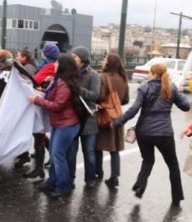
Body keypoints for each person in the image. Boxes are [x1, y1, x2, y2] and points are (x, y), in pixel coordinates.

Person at [112, 63, 190, 206]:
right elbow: (186, 106)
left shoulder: (144, 87)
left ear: (154, 73)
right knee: (172, 164)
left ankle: (140, 185)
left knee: (148, 160)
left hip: (144, 132)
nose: (148, 74)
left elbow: (134, 110)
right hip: (164, 133)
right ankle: (177, 197)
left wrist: (117, 122)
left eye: (149, 72)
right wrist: (180, 93)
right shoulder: (171, 87)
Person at [28, 54, 80, 198]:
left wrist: (37, 100)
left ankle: (64, 187)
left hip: (66, 125)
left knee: (58, 156)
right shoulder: (60, 81)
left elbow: (57, 106)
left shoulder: (64, 84)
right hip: (60, 123)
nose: (54, 64)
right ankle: (52, 182)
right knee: (54, 153)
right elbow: (53, 98)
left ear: (63, 65)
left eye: (57, 62)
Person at [21, 44, 60, 178]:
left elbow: (35, 80)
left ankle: (39, 168)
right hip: (43, 101)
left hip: (41, 102)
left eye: (44, 52)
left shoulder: (49, 66)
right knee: (40, 134)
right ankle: (45, 163)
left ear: (46, 54)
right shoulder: (51, 65)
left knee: (39, 134)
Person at [68, 46, 100, 189]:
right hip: (73, 118)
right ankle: (70, 178)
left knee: (89, 152)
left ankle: (90, 179)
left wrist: (77, 88)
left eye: (75, 57)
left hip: (88, 119)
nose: (72, 58)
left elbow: (95, 95)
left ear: (82, 59)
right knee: (71, 152)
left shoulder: (93, 75)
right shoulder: (69, 73)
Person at [96, 53, 129, 187]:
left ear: (109, 63)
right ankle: (114, 177)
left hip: (104, 115)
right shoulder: (123, 78)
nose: (103, 61)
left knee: (97, 146)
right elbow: (126, 100)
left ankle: (99, 172)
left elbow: (99, 96)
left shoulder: (102, 77)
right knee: (114, 149)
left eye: (105, 59)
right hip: (117, 116)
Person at [14, 48, 37, 169]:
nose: (17, 57)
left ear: (25, 57)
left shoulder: (28, 68)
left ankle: (24, 155)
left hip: (27, 102)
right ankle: (23, 154)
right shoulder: (27, 66)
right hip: (26, 102)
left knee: (30, 132)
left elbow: (25, 83)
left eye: (18, 55)